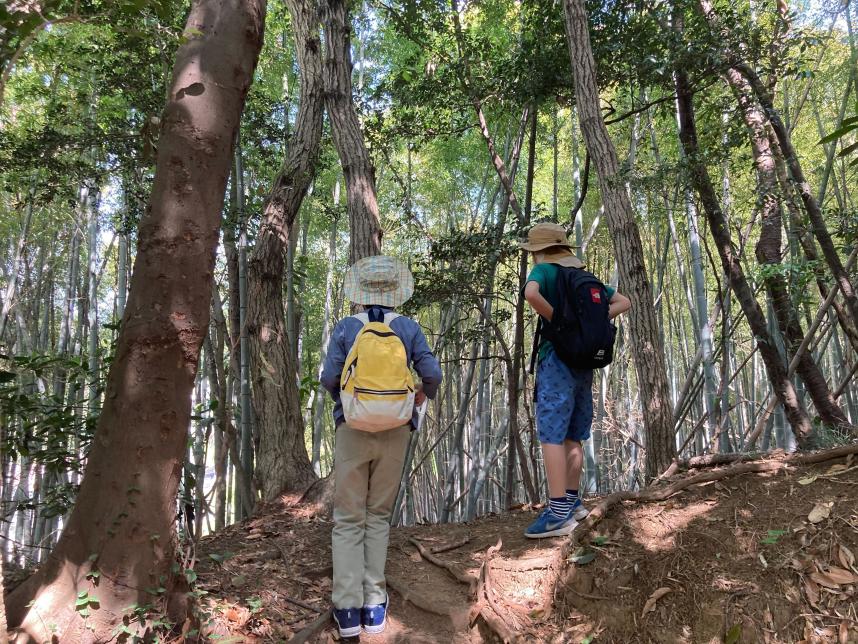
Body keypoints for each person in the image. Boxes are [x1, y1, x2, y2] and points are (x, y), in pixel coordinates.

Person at [321, 255, 442, 638]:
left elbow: (329, 378)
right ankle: (374, 607)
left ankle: (346, 610)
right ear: (395, 292)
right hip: (396, 429)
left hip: (353, 429)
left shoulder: (346, 327)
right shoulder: (407, 327)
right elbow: (432, 373)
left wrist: (348, 404)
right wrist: (421, 395)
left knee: (348, 519)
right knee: (377, 516)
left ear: (359, 292)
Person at [519, 223, 631, 539]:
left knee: (552, 434)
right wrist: (587, 325)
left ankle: (557, 515)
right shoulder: (584, 276)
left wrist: (559, 321)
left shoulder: (545, 272)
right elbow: (624, 302)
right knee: (574, 433)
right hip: (584, 361)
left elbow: (530, 294)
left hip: (556, 358)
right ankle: (571, 502)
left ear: (539, 252)